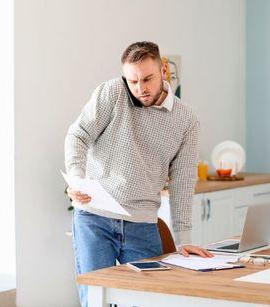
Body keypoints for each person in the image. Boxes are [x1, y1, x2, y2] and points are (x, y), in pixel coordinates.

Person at [64, 41, 213, 307]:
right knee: (96, 300)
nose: (140, 88)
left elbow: (182, 182)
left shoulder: (186, 120)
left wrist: (184, 240)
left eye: (147, 79)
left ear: (163, 69)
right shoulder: (112, 92)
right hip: (94, 219)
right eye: (132, 81)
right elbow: (78, 135)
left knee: (149, 300)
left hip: (142, 224)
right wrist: (77, 179)